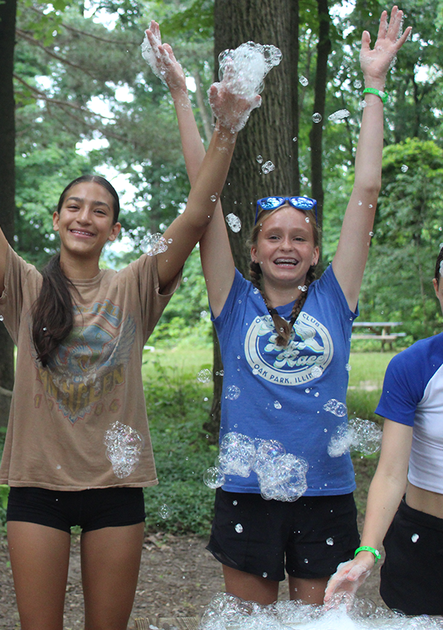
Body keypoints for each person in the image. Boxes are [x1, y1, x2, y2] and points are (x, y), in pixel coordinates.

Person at [0, 44, 260, 629]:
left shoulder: (137, 285)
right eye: (73, 206)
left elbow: (196, 213)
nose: (84, 216)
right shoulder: (25, 286)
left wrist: (228, 128)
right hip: (37, 487)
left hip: (116, 488)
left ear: (114, 229)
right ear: (58, 219)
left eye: (98, 211)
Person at [149, 6, 410, 606]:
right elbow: (202, 197)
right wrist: (183, 98)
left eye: (300, 237)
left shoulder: (334, 298)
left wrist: (373, 85)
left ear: (317, 251)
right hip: (246, 491)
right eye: (274, 236)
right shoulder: (232, 300)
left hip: (325, 493)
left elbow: (366, 189)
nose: (287, 245)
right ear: (254, 248)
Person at [323, 246, 443, 615]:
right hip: (424, 542)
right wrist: (367, 552)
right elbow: (391, 474)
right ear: (438, 288)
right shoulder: (413, 366)